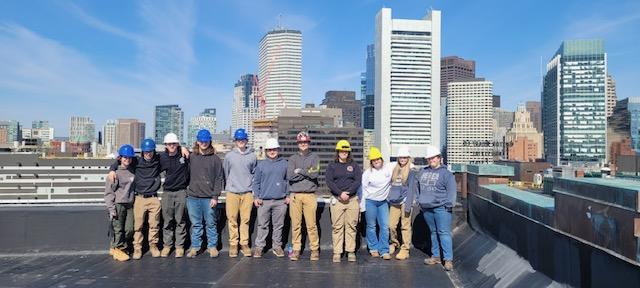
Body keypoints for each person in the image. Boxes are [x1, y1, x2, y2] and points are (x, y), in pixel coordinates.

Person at [107, 136, 190, 259]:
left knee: (154, 225)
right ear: (142, 152)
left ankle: (153, 246)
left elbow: (173, 153)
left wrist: (183, 147)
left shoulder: (158, 159)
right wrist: (112, 169)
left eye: (150, 151)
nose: (148, 154)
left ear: (154, 151)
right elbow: (121, 160)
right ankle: (137, 248)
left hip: (153, 198)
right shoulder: (136, 161)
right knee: (137, 226)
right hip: (139, 198)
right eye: (146, 151)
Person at [406, 145, 456, 271]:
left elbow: (451, 191)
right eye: (429, 158)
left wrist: (448, 205)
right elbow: (416, 186)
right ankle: (436, 256)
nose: (431, 160)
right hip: (427, 208)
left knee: (444, 233)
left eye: (433, 157)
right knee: (433, 232)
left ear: (439, 158)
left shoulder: (447, 174)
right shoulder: (423, 171)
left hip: (441, 208)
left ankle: (448, 260)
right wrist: (419, 200)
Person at [186, 129, 225, 258]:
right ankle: (195, 247)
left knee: (211, 223)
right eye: (201, 141)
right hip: (193, 197)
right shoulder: (191, 157)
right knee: (196, 224)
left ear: (209, 141)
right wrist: (182, 148)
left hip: (209, 198)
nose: (203, 143)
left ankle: (212, 247)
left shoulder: (215, 159)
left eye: (206, 141)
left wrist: (215, 196)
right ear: (197, 141)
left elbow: (219, 178)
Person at [252, 138, 290, 258]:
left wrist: (288, 195)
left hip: (280, 201)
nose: (272, 152)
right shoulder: (261, 164)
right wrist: (256, 197)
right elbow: (256, 182)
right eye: (269, 150)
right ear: (266, 151)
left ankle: (277, 247)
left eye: (274, 149)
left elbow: (289, 180)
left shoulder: (285, 163)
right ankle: (259, 247)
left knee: (279, 226)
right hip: (264, 201)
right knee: (262, 225)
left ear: (278, 149)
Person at [325, 140, 362, 263]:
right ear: (338, 152)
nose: (344, 153)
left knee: (351, 226)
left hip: (352, 200)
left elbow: (357, 181)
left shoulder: (354, 165)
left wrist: (349, 193)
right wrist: (340, 193)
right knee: (337, 227)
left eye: (346, 151)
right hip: (337, 199)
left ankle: (350, 251)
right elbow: (329, 182)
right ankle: (337, 252)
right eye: (341, 151)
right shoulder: (332, 166)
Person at [223, 128, 257, 258]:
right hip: (232, 192)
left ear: (246, 141)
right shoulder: (229, 156)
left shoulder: (252, 156)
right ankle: (233, 244)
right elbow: (225, 173)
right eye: (238, 140)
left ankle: (244, 244)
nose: (241, 142)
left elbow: (254, 174)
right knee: (232, 219)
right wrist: (230, 186)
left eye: (243, 139)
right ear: (235, 141)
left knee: (245, 220)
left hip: (247, 192)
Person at [287, 131, 320, 261]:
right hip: (295, 195)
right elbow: (290, 176)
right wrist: (307, 172)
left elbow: (315, 174)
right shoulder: (292, 158)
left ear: (308, 143)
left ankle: (314, 249)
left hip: (310, 195)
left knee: (311, 225)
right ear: (298, 143)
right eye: (301, 142)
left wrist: (300, 171)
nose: (303, 144)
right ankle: (296, 249)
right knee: (296, 224)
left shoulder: (315, 157)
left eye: (305, 142)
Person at [159, 133, 190, 258]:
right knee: (167, 221)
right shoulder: (161, 157)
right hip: (167, 192)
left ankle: (179, 247)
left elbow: (201, 153)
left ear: (177, 144)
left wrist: (184, 148)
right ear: (165, 145)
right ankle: (167, 246)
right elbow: (143, 161)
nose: (171, 146)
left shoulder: (184, 155)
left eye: (174, 143)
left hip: (181, 192)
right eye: (169, 144)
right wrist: (113, 168)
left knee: (180, 220)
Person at [360, 147, 394, 260]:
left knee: (385, 226)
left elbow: (398, 164)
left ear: (381, 159)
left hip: (383, 202)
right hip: (370, 202)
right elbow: (363, 189)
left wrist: (412, 165)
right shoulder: (367, 173)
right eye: (374, 160)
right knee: (371, 226)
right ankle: (373, 248)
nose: (376, 162)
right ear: (371, 162)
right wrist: (362, 206)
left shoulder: (388, 169)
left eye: (378, 159)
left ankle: (384, 250)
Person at [104, 144, 136, 261]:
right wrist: (112, 209)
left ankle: (116, 247)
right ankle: (119, 249)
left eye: (129, 158)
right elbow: (108, 193)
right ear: (120, 158)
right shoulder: (114, 173)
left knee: (130, 229)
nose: (127, 160)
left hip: (130, 204)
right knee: (118, 229)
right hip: (118, 204)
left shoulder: (133, 170)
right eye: (125, 157)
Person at [387, 145, 414, 260]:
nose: (402, 159)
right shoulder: (394, 168)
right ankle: (394, 242)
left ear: (408, 158)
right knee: (391, 225)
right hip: (394, 200)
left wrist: (409, 203)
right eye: (400, 157)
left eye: (404, 157)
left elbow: (412, 187)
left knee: (405, 225)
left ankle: (405, 249)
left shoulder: (412, 169)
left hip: (405, 201)